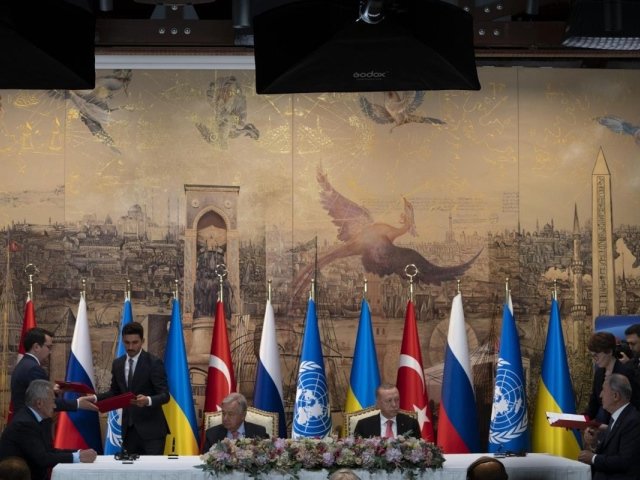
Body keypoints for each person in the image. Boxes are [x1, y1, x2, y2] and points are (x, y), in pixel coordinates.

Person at [91, 321, 169, 455]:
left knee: (152, 469)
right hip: (128, 431)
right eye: (127, 343)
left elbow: (165, 395)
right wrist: (94, 397)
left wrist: (148, 400)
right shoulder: (118, 364)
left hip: (152, 433)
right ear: (122, 341)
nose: (130, 347)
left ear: (142, 341)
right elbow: (114, 392)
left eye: (135, 342)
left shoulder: (154, 363)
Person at [0, 380, 97, 480]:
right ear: (39, 403)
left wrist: (79, 452)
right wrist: (77, 457)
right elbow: (42, 459)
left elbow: (50, 451)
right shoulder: (24, 424)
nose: (55, 406)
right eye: (52, 401)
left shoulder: (39, 418)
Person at [10, 328, 96, 415]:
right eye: (49, 347)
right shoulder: (34, 369)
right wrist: (77, 403)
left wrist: (53, 392)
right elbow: (45, 402)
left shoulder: (24, 364)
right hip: (31, 421)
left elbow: (33, 397)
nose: (50, 352)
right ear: (36, 347)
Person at [578, 374, 640, 479]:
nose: (600, 395)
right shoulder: (617, 416)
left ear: (616, 396)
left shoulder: (633, 421)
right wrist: (594, 443)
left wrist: (593, 458)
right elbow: (610, 452)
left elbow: (624, 462)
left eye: (603, 390)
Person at [584, 332, 640, 425]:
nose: (595, 359)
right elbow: (593, 404)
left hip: (624, 427)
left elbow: (635, 404)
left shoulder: (626, 372)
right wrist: (578, 421)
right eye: (592, 356)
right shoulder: (599, 373)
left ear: (609, 351)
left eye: (596, 355)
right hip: (603, 426)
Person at [202, 393, 269, 452]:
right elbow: (204, 460)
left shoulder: (259, 433)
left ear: (243, 415)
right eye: (223, 413)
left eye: (230, 414)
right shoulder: (212, 434)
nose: (225, 418)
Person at [353, 383, 420, 438]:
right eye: (389, 400)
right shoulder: (364, 425)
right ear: (378, 403)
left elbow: (419, 449)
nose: (394, 404)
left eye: (397, 399)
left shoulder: (411, 424)